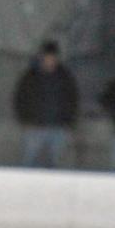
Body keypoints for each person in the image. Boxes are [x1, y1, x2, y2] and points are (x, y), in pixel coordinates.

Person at [13, 39, 78, 169]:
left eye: (53, 57)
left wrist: (69, 121)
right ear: (41, 57)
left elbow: (73, 99)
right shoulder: (30, 77)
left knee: (56, 164)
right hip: (35, 127)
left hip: (58, 127)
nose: (50, 60)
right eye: (47, 57)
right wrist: (25, 120)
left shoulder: (65, 77)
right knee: (29, 162)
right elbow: (19, 99)